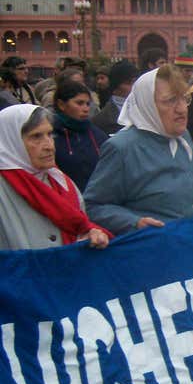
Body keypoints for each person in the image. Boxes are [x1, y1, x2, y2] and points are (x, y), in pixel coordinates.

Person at [84, 65, 193, 236]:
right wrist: (134, 222)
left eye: (184, 99)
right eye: (170, 101)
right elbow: (94, 205)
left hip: (188, 245)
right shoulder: (121, 148)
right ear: (147, 105)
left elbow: (188, 193)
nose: (182, 109)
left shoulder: (183, 138)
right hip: (150, 252)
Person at [0, 104, 111, 250]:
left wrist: (90, 235)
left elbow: (80, 227)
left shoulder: (61, 181)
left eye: (50, 134)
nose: (49, 146)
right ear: (11, 141)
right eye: (36, 136)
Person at [52, 79, 108, 192]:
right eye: (79, 103)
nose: (86, 109)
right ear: (61, 105)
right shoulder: (51, 135)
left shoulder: (97, 134)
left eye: (87, 104)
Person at [91, 59, 139, 136]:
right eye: (129, 83)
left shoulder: (147, 109)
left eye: (137, 81)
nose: (135, 86)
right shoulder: (101, 120)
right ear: (115, 87)